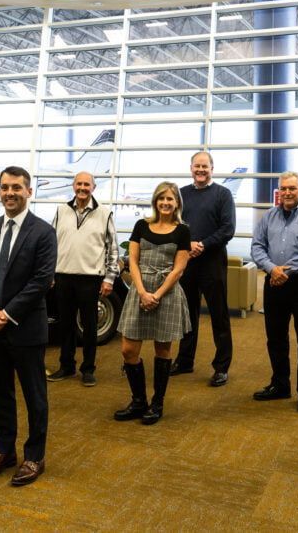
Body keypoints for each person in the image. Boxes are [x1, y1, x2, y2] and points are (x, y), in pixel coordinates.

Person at [0, 166, 57, 487]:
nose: (10, 193)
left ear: (29, 191)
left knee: (35, 396)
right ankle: (4, 450)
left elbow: (41, 281)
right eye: (4, 187)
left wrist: (6, 313)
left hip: (25, 329)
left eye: (16, 188)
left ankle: (34, 456)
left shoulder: (43, 232)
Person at [114, 181, 191, 425]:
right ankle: (138, 401)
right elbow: (133, 262)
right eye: (161, 199)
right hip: (139, 290)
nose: (165, 203)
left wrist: (156, 294)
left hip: (166, 293)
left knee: (163, 349)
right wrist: (142, 291)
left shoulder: (182, 231)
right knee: (128, 349)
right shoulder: (141, 225)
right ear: (155, 201)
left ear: (177, 202)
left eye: (170, 199)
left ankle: (156, 403)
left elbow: (178, 270)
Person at [250, 172, 298, 413]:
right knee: (276, 338)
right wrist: (273, 269)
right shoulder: (269, 216)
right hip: (274, 285)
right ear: (279, 191)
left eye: (292, 188)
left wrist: (285, 271)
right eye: (283, 188)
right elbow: (257, 246)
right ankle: (280, 385)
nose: (287, 192)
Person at [47, 171, 119, 387]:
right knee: (66, 325)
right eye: (79, 184)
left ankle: (88, 369)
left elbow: (113, 249)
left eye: (87, 184)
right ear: (73, 186)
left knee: (89, 327)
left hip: (90, 278)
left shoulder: (104, 214)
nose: (82, 188)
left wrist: (109, 279)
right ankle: (66, 366)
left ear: (93, 188)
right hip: (63, 277)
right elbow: (50, 244)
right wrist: (49, 273)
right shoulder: (61, 211)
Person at [171, 151, 236, 386]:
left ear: (212, 168)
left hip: (212, 262)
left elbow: (228, 229)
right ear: (191, 168)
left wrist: (202, 245)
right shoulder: (182, 194)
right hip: (186, 262)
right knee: (187, 315)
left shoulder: (223, 194)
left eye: (205, 166)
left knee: (219, 315)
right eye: (197, 166)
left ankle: (221, 367)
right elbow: (174, 224)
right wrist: (187, 244)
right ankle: (185, 360)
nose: (201, 170)